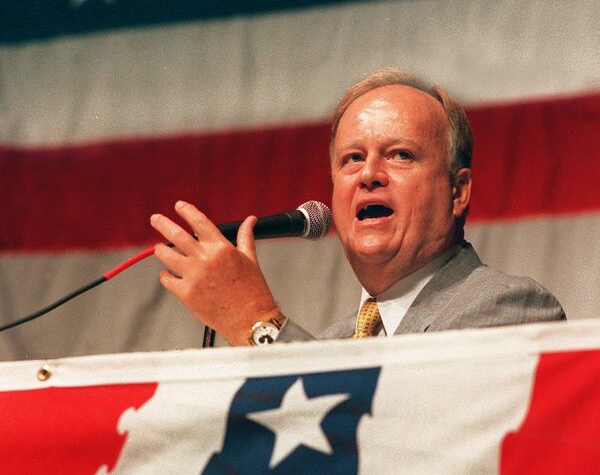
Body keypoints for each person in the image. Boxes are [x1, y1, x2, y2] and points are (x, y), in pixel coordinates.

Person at [150, 69, 565, 345]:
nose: (369, 173)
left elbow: (396, 446)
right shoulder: (332, 345)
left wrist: (257, 322)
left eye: (400, 154)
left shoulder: (511, 309)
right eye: (351, 159)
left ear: (457, 192)